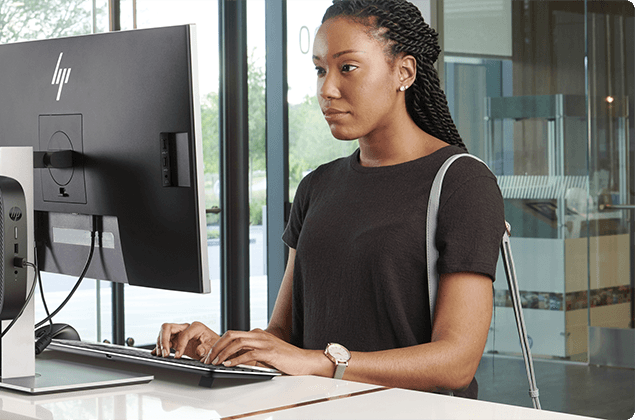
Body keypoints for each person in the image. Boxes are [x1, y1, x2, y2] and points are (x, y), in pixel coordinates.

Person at [153, 0, 504, 399]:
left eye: (347, 68)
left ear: (403, 71)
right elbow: (283, 336)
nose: (327, 89)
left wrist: (323, 363)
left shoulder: (462, 182)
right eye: (320, 69)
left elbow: (456, 362)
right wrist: (221, 348)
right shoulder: (316, 186)